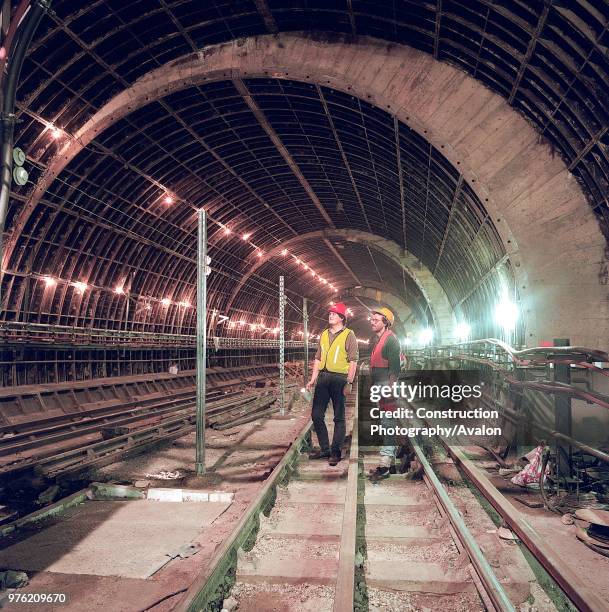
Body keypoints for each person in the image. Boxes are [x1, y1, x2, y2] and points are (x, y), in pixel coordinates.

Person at [305, 302, 358, 465]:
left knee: (339, 417)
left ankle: (335, 452)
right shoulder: (324, 334)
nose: (330, 315)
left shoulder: (349, 335)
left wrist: (349, 382)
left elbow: (353, 360)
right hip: (323, 377)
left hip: (340, 379)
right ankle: (325, 449)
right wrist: (313, 378)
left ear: (341, 318)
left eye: (334, 314)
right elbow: (318, 357)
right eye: (330, 313)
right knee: (316, 415)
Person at [368, 307, 401, 480]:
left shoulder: (390, 340)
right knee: (385, 423)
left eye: (376, 320)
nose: (372, 322)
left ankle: (384, 466)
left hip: (387, 387)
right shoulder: (379, 339)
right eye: (371, 319)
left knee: (388, 424)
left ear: (385, 322)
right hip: (380, 386)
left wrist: (390, 388)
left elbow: (395, 368)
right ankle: (392, 465)